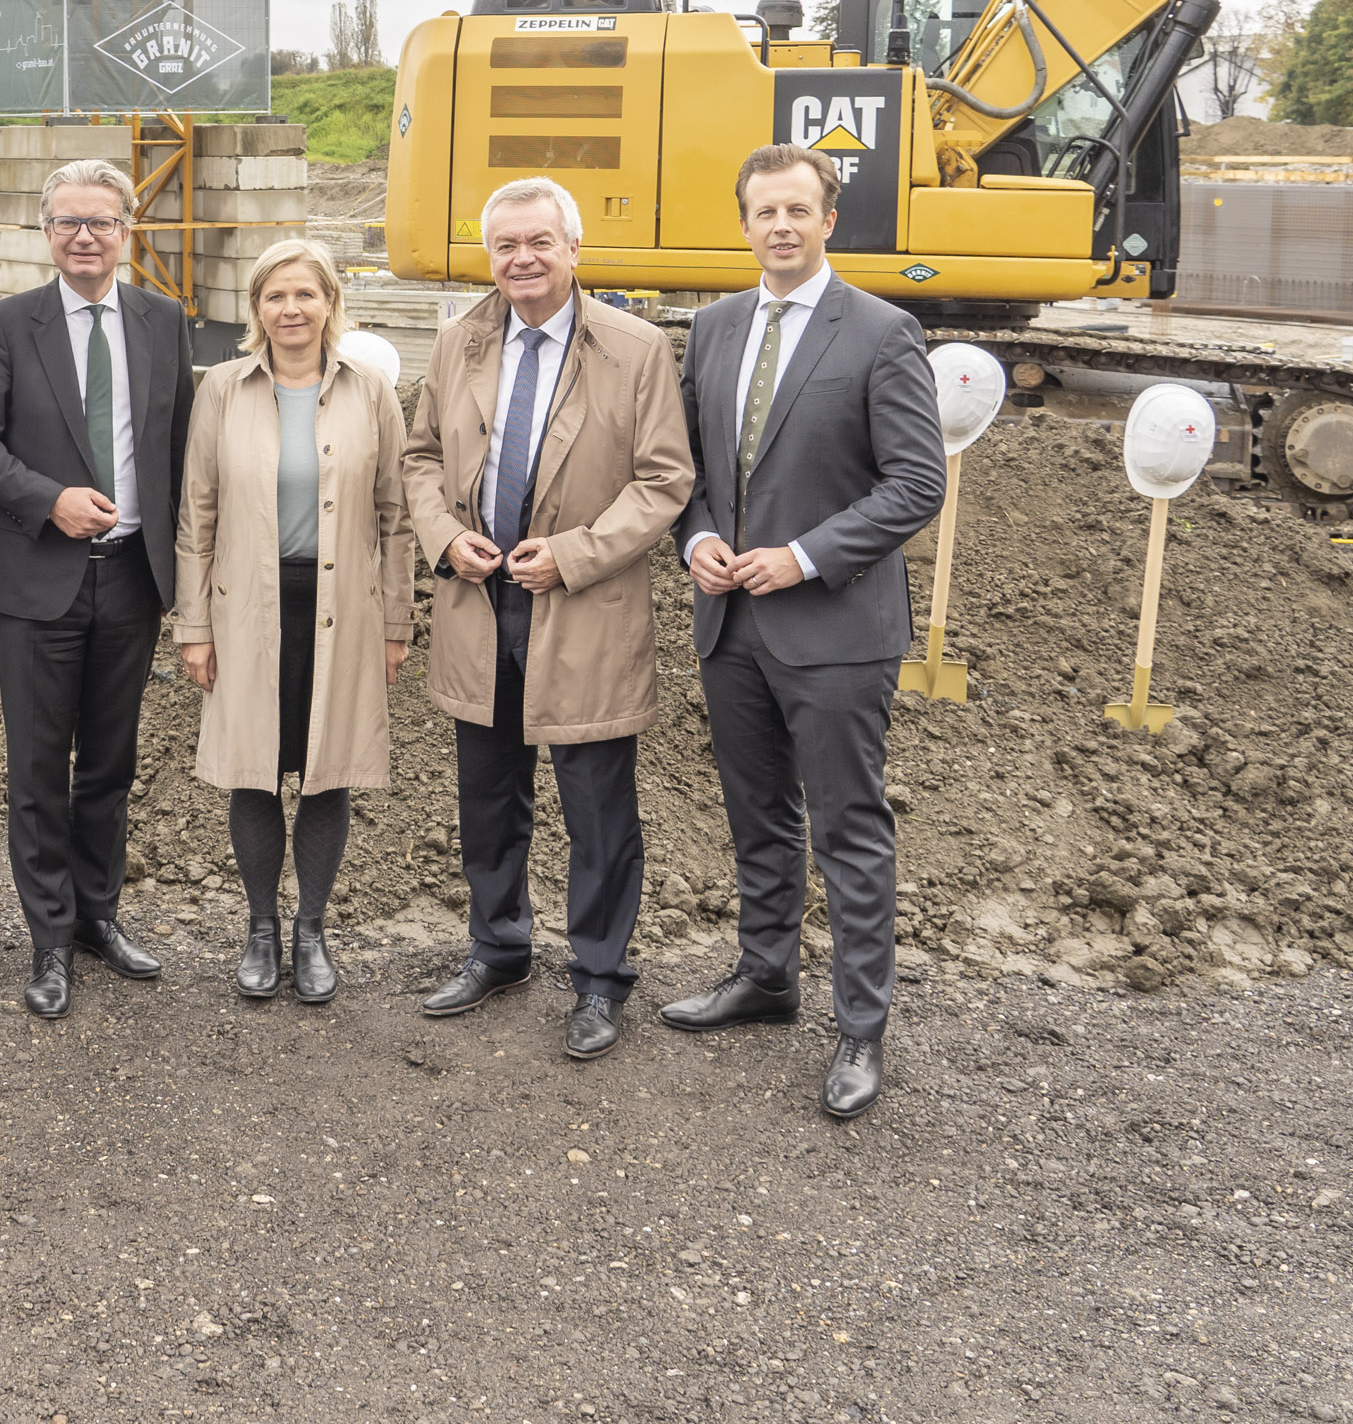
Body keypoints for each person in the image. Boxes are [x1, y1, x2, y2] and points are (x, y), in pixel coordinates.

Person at [664, 144, 947, 1120]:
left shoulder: (881, 330)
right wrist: (696, 534)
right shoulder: (711, 329)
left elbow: (917, 481)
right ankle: (766, 975)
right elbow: (689, 469)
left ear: (830, 219)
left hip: (834, 626)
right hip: (732, 623)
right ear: (742, 222)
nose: (779, 225)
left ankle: (861, 1030)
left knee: (850, 828)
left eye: (798, 209)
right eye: (762, 210)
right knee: (760, 817)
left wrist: (806, 555)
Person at [403, 177, 692, 1055]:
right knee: (487, 797)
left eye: (538, 242)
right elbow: (418, 456)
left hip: (583, 607)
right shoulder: (459, 341)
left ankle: (600, 977)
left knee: (597, 805)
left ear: (573, 248)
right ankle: (499, 946)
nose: (520, 259)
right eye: (504, 246)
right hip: (477, 601)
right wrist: (446, 535)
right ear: (487, 254)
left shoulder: (634, 349)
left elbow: (664, 480)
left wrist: (572, 555)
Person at [0, 157, 195, 1020]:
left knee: (111, 766)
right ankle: (47, 937)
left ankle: (99, 916)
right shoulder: (4, 324)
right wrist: (46, 499)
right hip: (40, 579)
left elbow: (179, 448)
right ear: (46, 234)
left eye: (100, 222)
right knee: (37, 768)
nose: (84, 237)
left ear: (127, 231)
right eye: (67, 223)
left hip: (131, 578)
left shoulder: (164, 321)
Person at [172, 240, 414, 1006]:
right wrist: (193, 626)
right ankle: (260, 929)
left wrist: (397, 625)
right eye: (275, 297)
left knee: (323, 771)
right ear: (256, 310)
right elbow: (195, 513)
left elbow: (396, 516)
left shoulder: (370, 390)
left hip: (342, 610)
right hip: (246, 607)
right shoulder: (222, 389)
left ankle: (311, 930)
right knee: (252, 769)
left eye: (305, 295)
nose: (290, 310)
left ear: (329, 303)